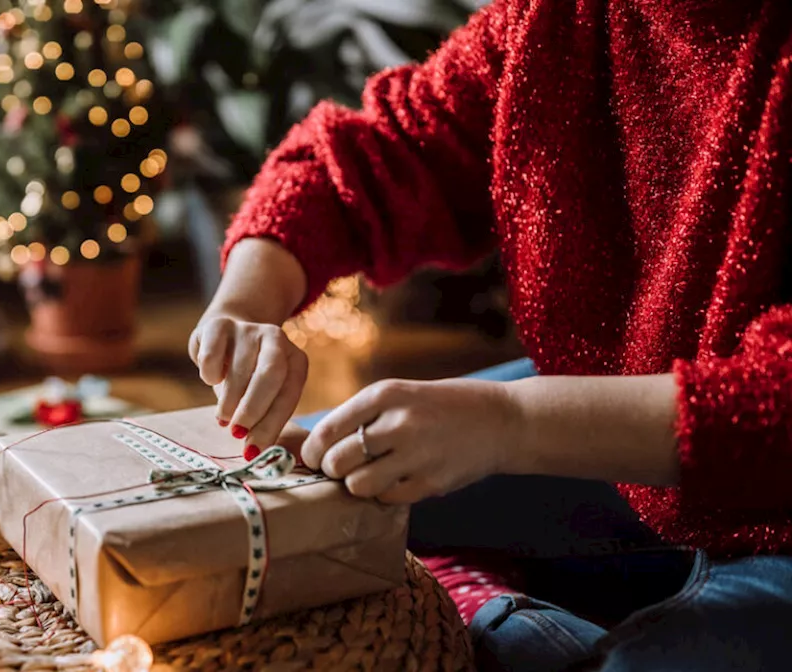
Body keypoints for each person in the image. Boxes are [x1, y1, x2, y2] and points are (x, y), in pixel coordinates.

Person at [188, 0, 792, 669]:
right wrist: (244, 303)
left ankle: (493, 626)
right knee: (312, 478)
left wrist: (507, 424)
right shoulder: (553, 22)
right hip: (633, 470)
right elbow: (374, 154)